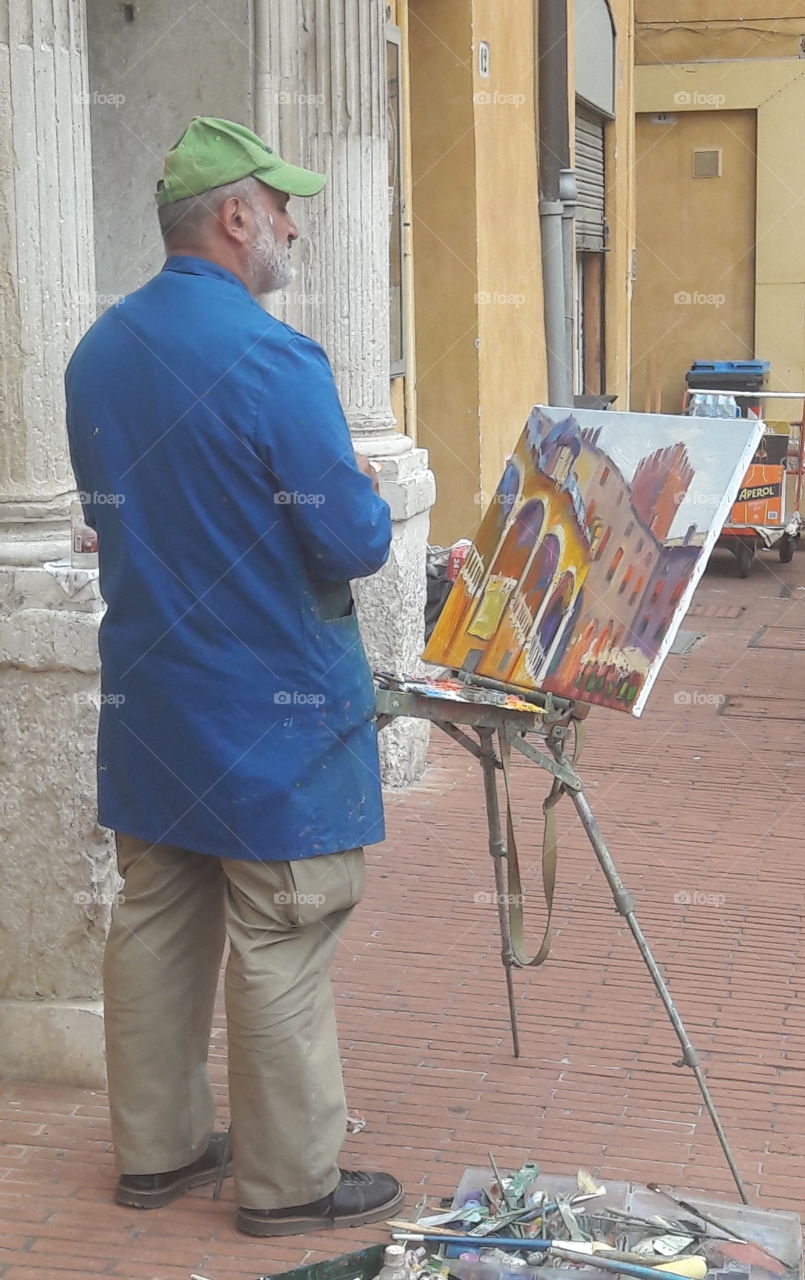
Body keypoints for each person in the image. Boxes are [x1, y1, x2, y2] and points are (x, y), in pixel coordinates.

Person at [65, 117, 403, 1236]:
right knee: (281, 932)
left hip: (155, 700)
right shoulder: (273, 356)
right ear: (235, 217)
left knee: (157, 916)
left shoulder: (96, 353)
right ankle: (290, 1180)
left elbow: (119, 521)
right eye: (284, 207)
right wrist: (358, 482)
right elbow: (352, 538)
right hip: (275, 705)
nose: (294, 226)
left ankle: (155, 1151)